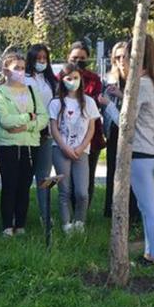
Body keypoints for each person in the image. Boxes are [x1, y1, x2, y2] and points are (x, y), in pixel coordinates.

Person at [0, 51, 49, 236]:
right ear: (6, 70)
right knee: (10, 185)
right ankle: (7, 225)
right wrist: (28, 117)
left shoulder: (32, 91)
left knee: (24, 186)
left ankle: (21, 224)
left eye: (23, 68)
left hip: (30, 145)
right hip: (8, 146)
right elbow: (6, 120)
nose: (20, 71)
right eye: (16, 68)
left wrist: (27, 126)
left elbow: (43, 118)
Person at [126, 35, 154, 268]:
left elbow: (127, 122)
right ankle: (150, 254)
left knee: (149, 208)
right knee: (146, 207)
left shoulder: (142, 84)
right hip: (152, 150)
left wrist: (107, 104)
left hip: (141, 151)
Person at [49, 64, 98, 233]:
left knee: (82, 192)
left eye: (76, 78)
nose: (73, 81)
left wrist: (81, 147)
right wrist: (64, 147)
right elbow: (53, 128)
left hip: (81, 151)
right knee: (65, 190)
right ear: (62, 80)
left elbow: (91, 128)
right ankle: (66, 224)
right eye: (69, 78)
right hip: (60, 150)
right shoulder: (56, 103)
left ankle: (79, 222)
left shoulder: (89, 102)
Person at [66, 42, 106, 217]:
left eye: (82, 58)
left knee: (86, 177)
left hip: (91, 136)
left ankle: (82, 215)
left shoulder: (94, 79)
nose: (78, 61)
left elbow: (92, 102)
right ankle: (67, 213)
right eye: (75, 58)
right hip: (66, 136)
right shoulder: (61, 76)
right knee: (67, 178)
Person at [102, 41, 140, 221]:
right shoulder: (110, 78)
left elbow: (134, 109)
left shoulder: (137, 79)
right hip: (113, 133)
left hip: (133, 133)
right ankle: (111, 211)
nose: (120, 61)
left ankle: (132, 214)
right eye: (117, 57)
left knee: (131, 175)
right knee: (113, 172)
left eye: (124, 56)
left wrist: (120, 95)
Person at [26, 43, 58, 228]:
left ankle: (45, 216)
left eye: (44, 59)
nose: (41, 62)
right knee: (23, 176)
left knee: (43, 176)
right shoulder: (25, 79)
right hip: (28, 132)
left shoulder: (50, 80)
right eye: (38, 59)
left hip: (46, 133)